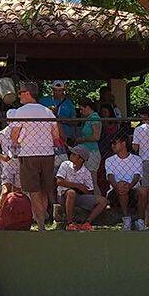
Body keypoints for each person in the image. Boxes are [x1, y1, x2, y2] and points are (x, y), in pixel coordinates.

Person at [8, 81, 61, 231]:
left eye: (20, 92)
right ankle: (43, 218)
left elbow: (14, 135)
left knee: (33, 190)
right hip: (47, 154)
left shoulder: (21, 112)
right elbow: (56, 134)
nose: (18, 95)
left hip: (29, 154)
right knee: (44, 188)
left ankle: (40, 223)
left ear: (27, 93)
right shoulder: (47, 111)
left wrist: (19, 140)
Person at [105, 135, 149, 230]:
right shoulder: (109, 160)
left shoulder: (137, 159)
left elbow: (137, 175)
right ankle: (126, 219)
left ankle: (140, 221)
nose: (112, 146)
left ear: (123, 143)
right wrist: (117, 186)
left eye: (114, 143)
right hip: (115, 190)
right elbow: (110, 176)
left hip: (133, 188)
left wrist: (130, 186)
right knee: (121, 186)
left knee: (143, 191)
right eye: (111, 144)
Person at [57, 146, 106, 231]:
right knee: (71, 193)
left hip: (79, 197)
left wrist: (83, 190)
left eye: (74, 154)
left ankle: (87, 223)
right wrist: (78, 186)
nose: (71, 155)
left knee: (103, 201)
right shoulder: (65, 164)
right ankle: (69, 223)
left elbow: (90, 191)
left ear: (81, 159)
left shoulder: (86, 172)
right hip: (63, 196)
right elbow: (59, 181)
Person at [40, 80, 78, 150]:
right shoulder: (43, 101)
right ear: (52, 90)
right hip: (48, 136)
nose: (57, 92)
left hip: (66, 137)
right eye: (55, 90)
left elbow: (75, 122)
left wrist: (60, 118)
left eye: (60, 90)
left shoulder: (69, 103)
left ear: (63, 90)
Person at [71, 97, 101, 173]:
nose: (80, 112)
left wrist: (82, 139)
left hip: (92, 153)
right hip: (86, 152)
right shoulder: (88, 118)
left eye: (81, 109)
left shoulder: (94, 118)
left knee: (91, 176)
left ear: (87, 107)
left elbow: (96, 137)